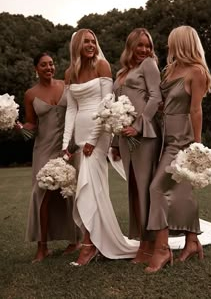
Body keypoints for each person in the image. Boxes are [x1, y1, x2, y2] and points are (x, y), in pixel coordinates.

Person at [62, 29, 139, 266]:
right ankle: (94, 240)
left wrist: (93, 140)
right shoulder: (69, 73)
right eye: (86, 41)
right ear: (76, 45)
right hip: (79, 135)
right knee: (90, 188)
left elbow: (107, 105)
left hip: (98, 133)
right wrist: (66, 144)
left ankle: (89, 244)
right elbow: (71, 110)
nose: (91, 44)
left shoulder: (102, 66)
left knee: (90, 184)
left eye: (93, 40)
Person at [145, 25, 211, 273]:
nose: (168, 46)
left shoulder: (197, 72)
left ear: (182, 43)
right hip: (165, 135)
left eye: (172, 42)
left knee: (157, 188)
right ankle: (192, 241)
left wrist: (196, 145)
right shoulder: (171, 69)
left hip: (183, 138)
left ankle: (162, 249)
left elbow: (196, 109)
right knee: (183, 191)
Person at [16, 52, 78, 263]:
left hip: (67, 148)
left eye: (51, 64)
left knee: (69, 192)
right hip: (43, 148)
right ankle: (42, 247)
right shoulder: (30, 94)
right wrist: (20, 127)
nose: (49, 68)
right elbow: (31, 125)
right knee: (41, 194)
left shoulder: (66, 85)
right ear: (36, 69)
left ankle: (74, 240)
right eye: (44, 65)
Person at [111, 28, 163, 264]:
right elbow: (115, 109)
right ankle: (142, 241)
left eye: (148, 45)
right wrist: (114, 141)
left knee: (144, 189)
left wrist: (138, 126)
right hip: (124, 138)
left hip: (144, 136)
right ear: (130, 46)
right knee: (133, 190)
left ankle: (149, 246)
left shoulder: (149, 65)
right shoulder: (122, 72)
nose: (144, 50)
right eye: (140, 45)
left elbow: (155, 98)